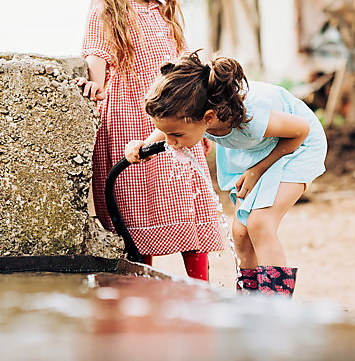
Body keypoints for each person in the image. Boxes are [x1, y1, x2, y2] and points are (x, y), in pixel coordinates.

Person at [76, 0, 225, 280]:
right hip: (128, 118)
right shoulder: (105, 13)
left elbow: (185, 71)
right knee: (136, 209)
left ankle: (200, 287)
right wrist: (95, 86)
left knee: (188, 200)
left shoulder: (164, 11)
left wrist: (198, 125)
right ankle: (142, 289)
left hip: (176, 117)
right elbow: (98, 57)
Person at [125, 52, 327, 296]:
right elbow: (170, 127)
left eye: (176, 136)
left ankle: (276, 310)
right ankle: (249, 304)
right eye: (165, 134)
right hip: (260, 151)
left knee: (260, 224)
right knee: (240, 234)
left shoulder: (248, 118)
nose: (171, 143)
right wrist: (143, 145)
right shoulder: (197, 114)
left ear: (207, 118)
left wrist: (257, 170)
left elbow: (301, 130)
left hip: (296, 147)